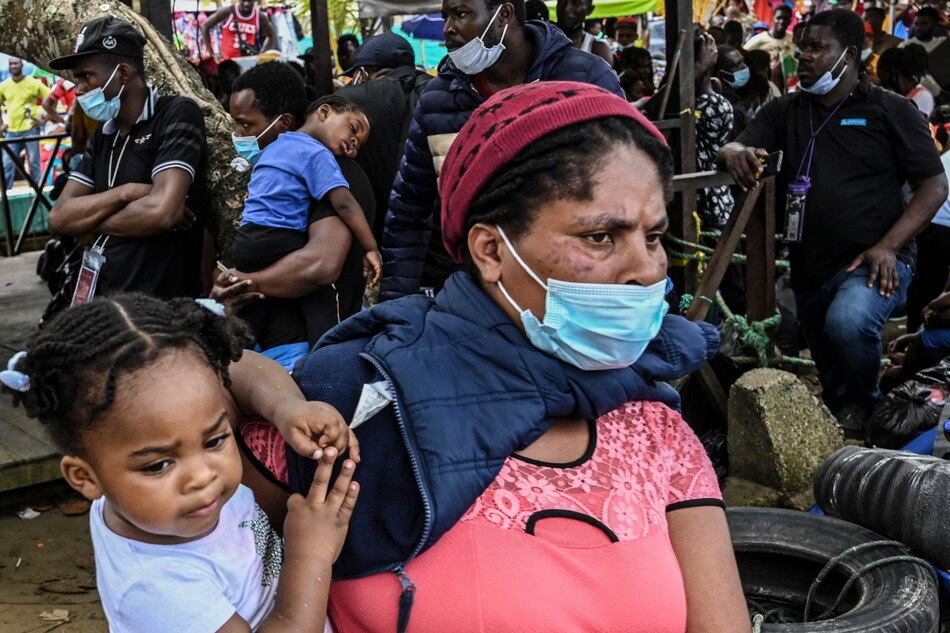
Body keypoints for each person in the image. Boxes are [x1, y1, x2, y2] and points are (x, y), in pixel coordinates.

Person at [273, 81, 748, 631]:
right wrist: (270, 395)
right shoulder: (352, 406)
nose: (646, 268)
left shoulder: (655, 430)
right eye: (600, 237)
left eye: (655, 235)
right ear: (492, 250)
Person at [0, 293, 360, 633]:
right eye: (158, 466)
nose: (203, 476)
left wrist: (287, 408)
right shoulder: (157, 588)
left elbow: (241, 369)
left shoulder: (136, 490)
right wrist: (310, 555)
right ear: (85, 477)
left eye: (215, 441)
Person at [718, 9, 948, 435]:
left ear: (850, 57)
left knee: (848, 323)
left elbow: (934, 185)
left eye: (817, 48)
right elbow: (738, 143)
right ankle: (848, 425)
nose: (804, 56)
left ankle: (866, 406)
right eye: (802, 46)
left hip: (876, 263)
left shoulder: (890, 110)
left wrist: (888, 246)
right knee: (828, 360)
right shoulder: (785, 110)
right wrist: (732, 151)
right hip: (810, 265)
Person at [380, 0, 623, 301]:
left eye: (460, 14)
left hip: (577, 289)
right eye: (446, 17)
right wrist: (396, 309)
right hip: (478, 293)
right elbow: (408, 212)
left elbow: (628, 187)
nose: (448, 29)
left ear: (503, 15)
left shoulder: (585, 78)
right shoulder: (437, 100)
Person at [222, 62, 375, 365]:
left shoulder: (339, 170)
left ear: (282, 123)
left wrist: (241, 283)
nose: (239, 135)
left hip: (301, 351)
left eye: (247, 125)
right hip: (272, 351)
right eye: (237, 125)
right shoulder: (277, 163)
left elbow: (321, 265)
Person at [48, 17, 208, 301]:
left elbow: (163, 212)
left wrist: (88, 222)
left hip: (157, 308)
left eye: (86, 76)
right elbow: (59, 217)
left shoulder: (176, 114)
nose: (80, 89)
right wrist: (126, 193)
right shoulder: (102, 136)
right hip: (103, 300)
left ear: (122, 72)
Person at [338, 33, 432, 242]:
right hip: (437, 239)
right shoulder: (439, 90)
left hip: (378, 235)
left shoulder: (350, 101)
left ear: (362, 72)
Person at [0, 57, 54, 189]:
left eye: (16, 63)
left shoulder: (33, 83)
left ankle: (39, 192)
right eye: (11, 64)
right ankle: (7, 196)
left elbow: (52, 98)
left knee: (34, 162)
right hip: (12, 131)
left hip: (31, 128)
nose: (14, 66)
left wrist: (45, 120)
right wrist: (1, 124)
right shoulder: (4, 85)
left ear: (21, 64)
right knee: (7, 162)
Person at [201, 0, 276, 61]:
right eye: (243, 0)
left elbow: (271, 35)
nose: (246, 4)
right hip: (228, 62)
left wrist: (262, 54)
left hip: (248, 61)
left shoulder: (260, 16)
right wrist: (212, 54)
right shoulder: (228, 11)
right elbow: (205, 26)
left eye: (250, 1)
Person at [876, 45, 936, 117]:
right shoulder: (899, 96)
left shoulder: (922, 96)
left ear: (893, 75)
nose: (880, 82)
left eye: (880, 75)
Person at [556, 0, 614, 66]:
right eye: (561, 2)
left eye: (576, 3)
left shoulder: (598, 49)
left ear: (589, 10)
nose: (566, 9)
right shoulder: (544, 40)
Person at [714, 45, 751, 138]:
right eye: (736, 66)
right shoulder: (730, 107)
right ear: (721, 73)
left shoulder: (735, 95)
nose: (744, 67)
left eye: (742, 62)